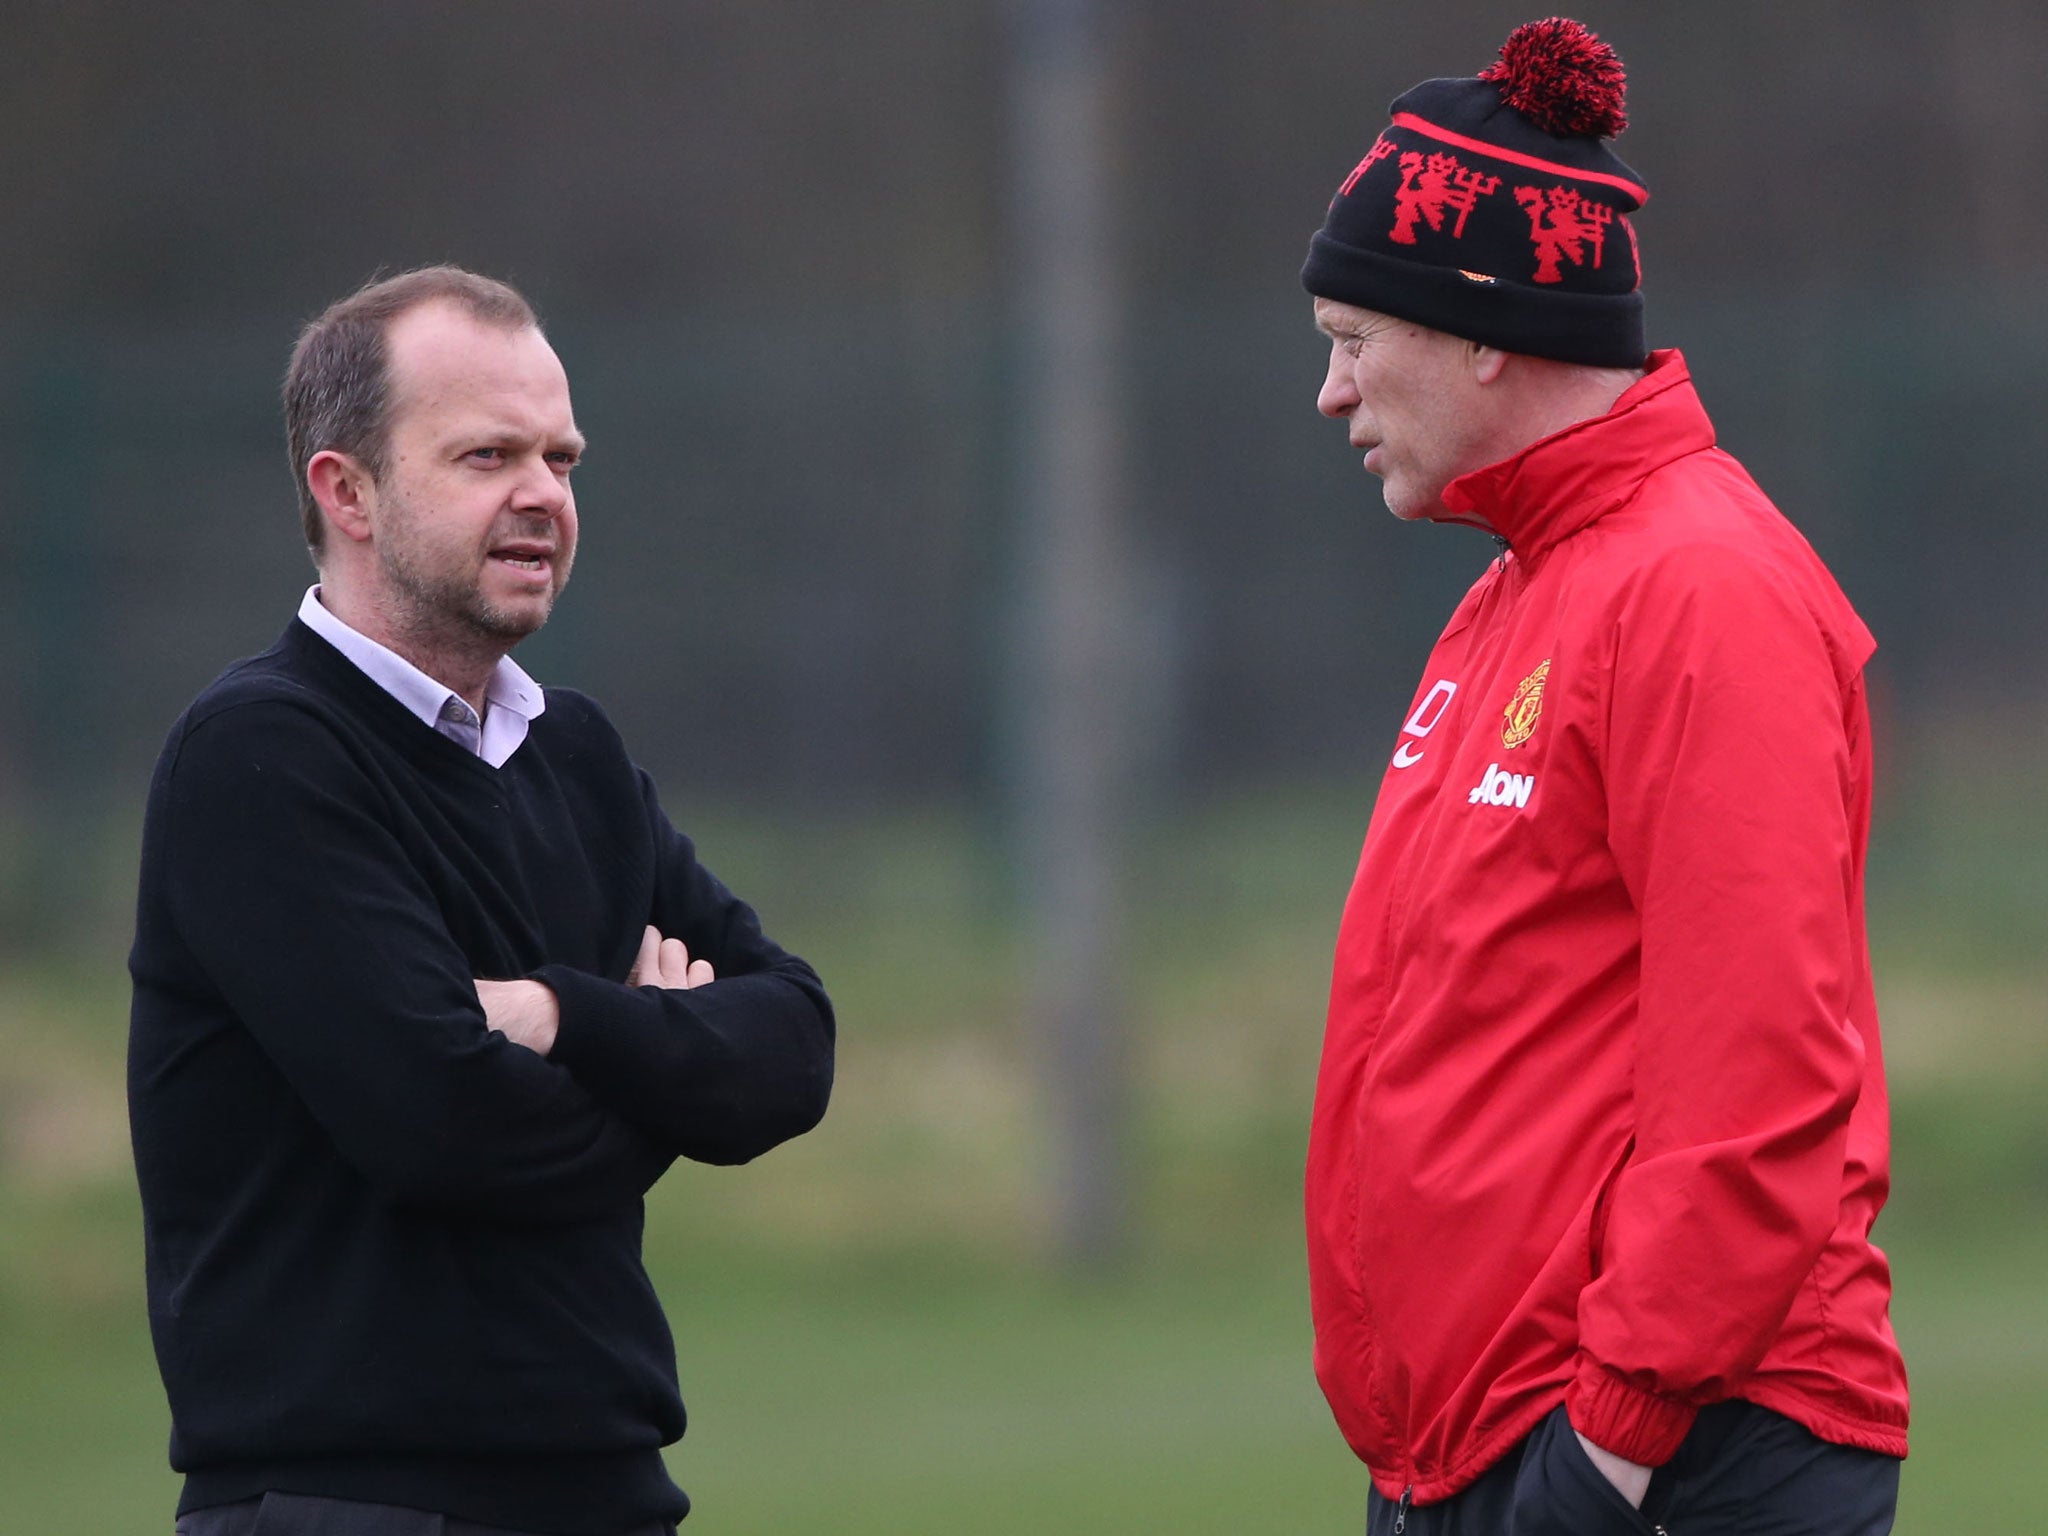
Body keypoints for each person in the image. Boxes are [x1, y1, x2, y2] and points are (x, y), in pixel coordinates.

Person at [1298, 20, 1907, 1535]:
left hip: (1673, 1458)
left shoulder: (1701, 590)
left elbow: (1759, 1076)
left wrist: (1610, 1452)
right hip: (1494, 1448)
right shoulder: (1519, 591)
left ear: (1486, 328)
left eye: (1353, 338)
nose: (1333, 393)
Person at [127, 266, 835, 1536]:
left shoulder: (575, 756)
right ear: (344, 491)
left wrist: (566, 1021)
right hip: (352, 1504)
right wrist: (663, 1062)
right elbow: (444, 1123)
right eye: (486, 455)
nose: (543, 496)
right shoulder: (260, 758)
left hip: (605, 1493)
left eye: (561, 459)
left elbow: (792, 1050)